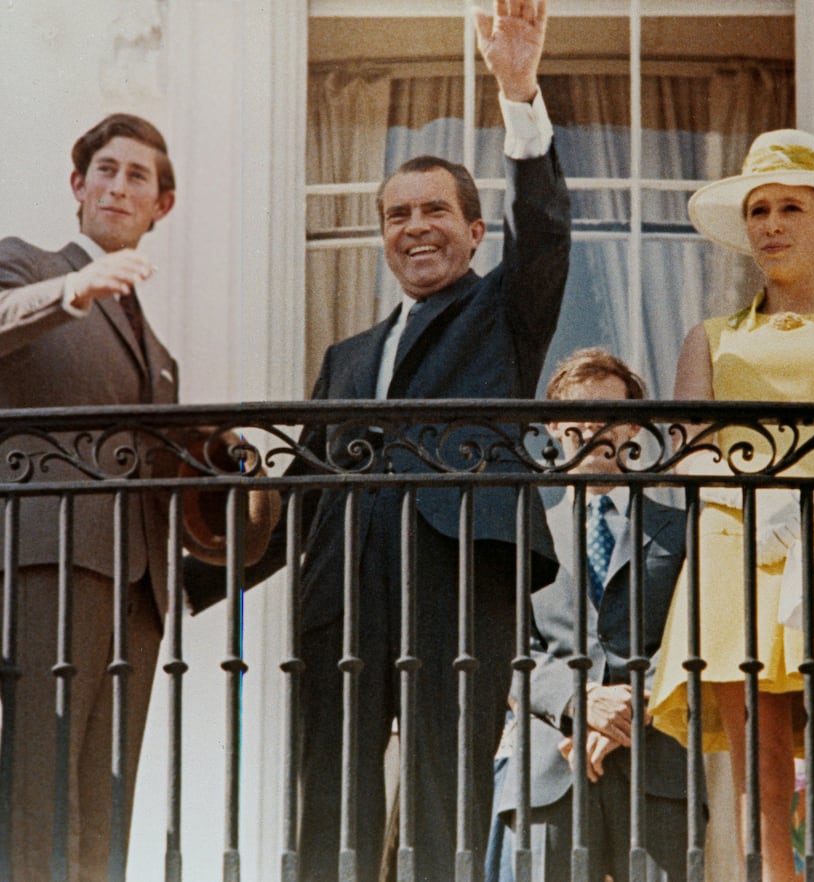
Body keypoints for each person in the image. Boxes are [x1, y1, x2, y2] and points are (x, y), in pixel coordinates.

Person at [216, 3, 570, 880]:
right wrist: (180, 568)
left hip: (457, 578)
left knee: (444, 794)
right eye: (398, 214)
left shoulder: (502, 312)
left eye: (436, 211)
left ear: (476, 232)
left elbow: (548, 233)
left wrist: (517, 91)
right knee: (329, 796)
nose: (415, 226)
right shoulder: (346, 357)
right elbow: (293, 499)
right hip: (342, 590)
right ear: (381, 235)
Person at [646, 129, 814, 882]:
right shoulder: (711, 337)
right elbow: (687, 442)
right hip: (739, 542)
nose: (770, 224)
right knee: (757, 757)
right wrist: (755, 496)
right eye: (759, 210)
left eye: (790, 208)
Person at [0, 113, 178, 881]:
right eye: (105, 171)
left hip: (141, 585)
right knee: (41, 777)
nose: (119, 186)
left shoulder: (161, 351)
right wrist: (71, 290)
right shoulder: (31, 265)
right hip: (50, 554)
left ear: (161, 206)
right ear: (78, 186)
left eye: (137, 176)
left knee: (105, 796)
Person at [493, 348, 695, 881]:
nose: (592, 426)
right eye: (577, 414)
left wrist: (631, 704)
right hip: (549, 769)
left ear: (631, 427)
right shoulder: (524, 532)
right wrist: (579, 700)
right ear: (556, 428)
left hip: (657, 768)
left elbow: (696, 636)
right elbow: (508, 648)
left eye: (608, 412)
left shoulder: (682, 531)